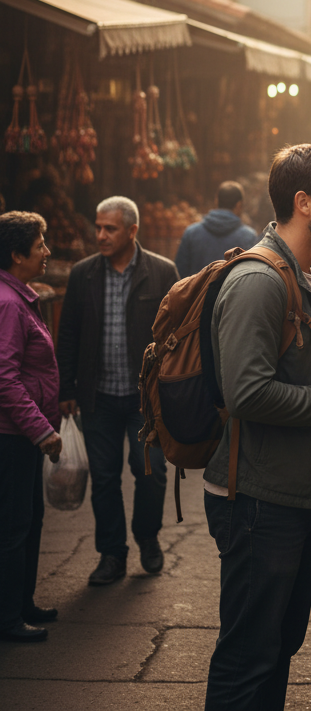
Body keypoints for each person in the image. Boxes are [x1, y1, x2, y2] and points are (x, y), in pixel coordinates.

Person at [202, 144, 311, 711]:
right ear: (304, 204)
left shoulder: (308, 274)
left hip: (296, 494)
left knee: (278, 647)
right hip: (257, 499)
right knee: (249, 655)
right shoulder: (258, 281)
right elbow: (247, 393)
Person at [56, 196, 178, 585]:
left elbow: (177, 336)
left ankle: (147, 536)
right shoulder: (83, 274)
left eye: (110, 228)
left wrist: (173, 387)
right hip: (98, 398)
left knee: (152, 472)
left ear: (132, 231)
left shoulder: (161, 271)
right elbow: (69, 331)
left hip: (145, 399)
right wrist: (66, 386)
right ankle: (111, 554)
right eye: (98, 227)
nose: (101, 235)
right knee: (104, 478)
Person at [0, 212, 61, 643]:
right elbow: (4, 376)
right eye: (40, 245)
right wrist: (41, 430)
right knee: (14, 525)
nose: (47, 252)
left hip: (22, 435)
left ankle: (22, 602)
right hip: (12, 436)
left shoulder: (19, 296)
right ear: (17, 254)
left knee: (30, 519)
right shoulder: (7, 303)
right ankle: (7, 618)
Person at [174, 180, 259, 277]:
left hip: (198, 292)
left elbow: (179, 274)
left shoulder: (191, 233)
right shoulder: (249, 236)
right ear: (239, 205)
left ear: (216, 201)